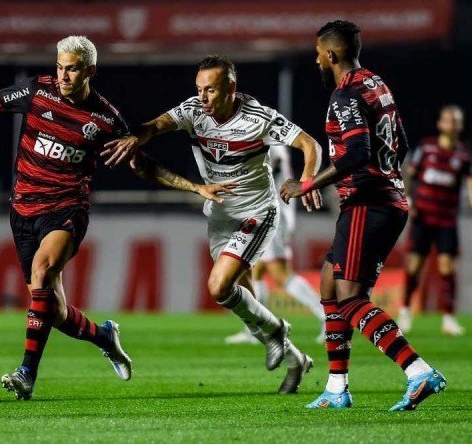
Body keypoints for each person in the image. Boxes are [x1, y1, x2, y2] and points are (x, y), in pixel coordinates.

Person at [0, 35, 132, 400]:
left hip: (67, 208)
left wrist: (193, 187)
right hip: (22, 210)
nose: (64, 75)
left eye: (73, 68)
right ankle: (103, 336)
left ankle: (26, 374)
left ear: (90, 71)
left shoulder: (106, 119)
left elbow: (140, 164)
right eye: (60, 66)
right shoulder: (37, 92)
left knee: (42, 271)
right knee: (54, 310)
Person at [104, 55, 322, 394]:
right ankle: (295, 359)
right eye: (199, 89)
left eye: (211, 90)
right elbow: (158, 125)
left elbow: (310, 144)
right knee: (244, 297)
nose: (203, 97)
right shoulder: (194, 110)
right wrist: (137, 136)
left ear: (231, 88)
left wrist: (306, 182)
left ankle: (278, 331)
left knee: (219, 287)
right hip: (220, 213)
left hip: (257, 212)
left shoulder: (258, 118)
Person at [280, 20, 446, 411]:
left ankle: (417, 370)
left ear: (332, 54)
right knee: (328, 285)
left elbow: (356, 153)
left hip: (367, 204)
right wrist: (386, 177)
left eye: (319, 53)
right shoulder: (376, 84)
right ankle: (337, 388)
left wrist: (307, 185)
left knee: (350, 298)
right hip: (385, 200)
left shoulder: (346, 95)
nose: (316, 59)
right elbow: (400, 143)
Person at [225, 145, 326, 345]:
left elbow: (264, 172)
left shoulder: (270, 144)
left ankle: (328, 318)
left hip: (273, 216)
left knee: (280, 274)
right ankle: (256, 328)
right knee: (256, 271)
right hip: (264, 215)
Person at [399, 105, 471, 336]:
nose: (452, 124)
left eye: (456, 120)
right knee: (414, 265)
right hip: (422, 216)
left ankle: (448, 319)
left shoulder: (463, 155)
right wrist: (407, 199)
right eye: (448, 120)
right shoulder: (426, 147)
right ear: (440, 124)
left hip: (446, 220)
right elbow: (410, 174)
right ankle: (405, 312)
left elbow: (469, 185)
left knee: (447, 267)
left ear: (460, 126)